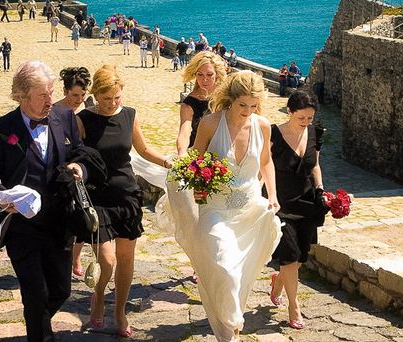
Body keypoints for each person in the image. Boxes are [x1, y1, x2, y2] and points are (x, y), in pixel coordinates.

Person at [0, 60, 102, 342]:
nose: (50, 100)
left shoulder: (64, 117)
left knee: (60, 291)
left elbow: (81, 154)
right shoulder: (0, 128)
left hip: (59, 224)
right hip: (21, 226)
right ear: (22, 94)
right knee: (35, 294)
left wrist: (80, 168)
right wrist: (1, 198)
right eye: (43, 95)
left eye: (51, 92)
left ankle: (38, 324)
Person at [170, 71, 282, 342]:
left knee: (240, 273)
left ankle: (227, 334)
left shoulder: (263, 125)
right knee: (224, 266)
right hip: (215, 208)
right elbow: (193, 161)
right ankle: (230, 321)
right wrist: (196, 183)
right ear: (231, 99)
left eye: (253, 106)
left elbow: (266, 162)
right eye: (243, 104)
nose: (248, 111)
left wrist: (273, 196)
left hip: (251, 209)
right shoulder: (210, 123)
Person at [76, 65, 170, 337]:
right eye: (107, 99)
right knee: (107, 261)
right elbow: (73, 153)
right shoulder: (84, 119)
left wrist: (168, 162)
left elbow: (143, 149)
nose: (112, 103)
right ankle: (98, 296)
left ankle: (119, 310)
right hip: (98, 199)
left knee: (127, 259)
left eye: (117, 97)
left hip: (127, 196)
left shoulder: (129, 115)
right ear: (96, 95)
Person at [267, 91, 325, 329]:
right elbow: (262, 166)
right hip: (281, 203)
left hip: (307, 201)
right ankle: (294, 306)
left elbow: (316, 165)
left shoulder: (314, 133)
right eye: (302, 118)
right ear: (289, 111)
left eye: (310, 118)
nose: (306, 123)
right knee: (289, 254)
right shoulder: (272, 134)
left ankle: (278, 281)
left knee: (300, 255)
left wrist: (321, 190)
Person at [176, 51, 227, 157]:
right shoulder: (189, 103)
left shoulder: (227, 97)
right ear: (195, 74)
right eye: (200, 74)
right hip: (200, 154)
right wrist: (182, 152)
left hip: (225, 151)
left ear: (217, 74)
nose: (204, 79)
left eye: (209, 74)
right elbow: (184, 133)